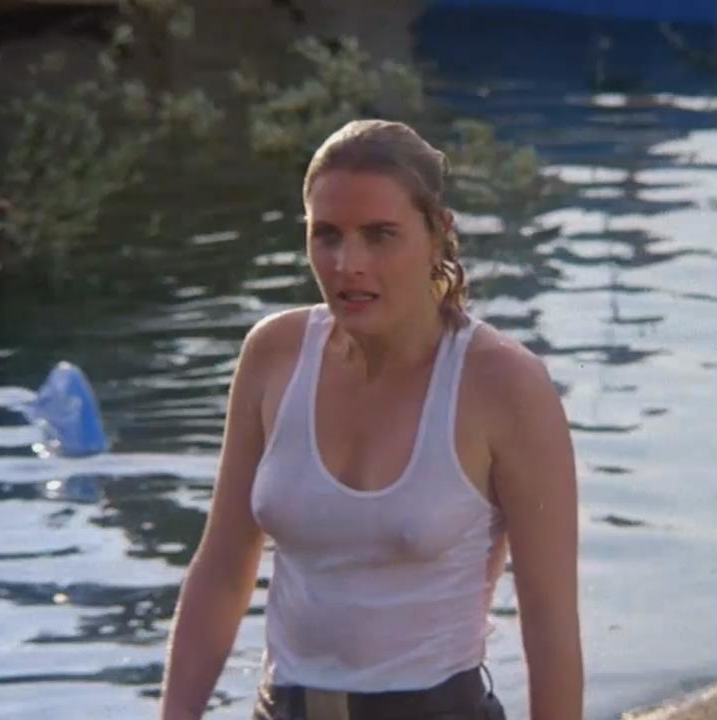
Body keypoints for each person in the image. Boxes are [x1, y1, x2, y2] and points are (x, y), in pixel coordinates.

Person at [158, 119, 583, 720]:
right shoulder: (274, 354)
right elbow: (223, 569)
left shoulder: (503, 384)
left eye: (380, 235)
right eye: (327, 235)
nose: (348, 263)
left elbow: (550, 623)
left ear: (438, 234)